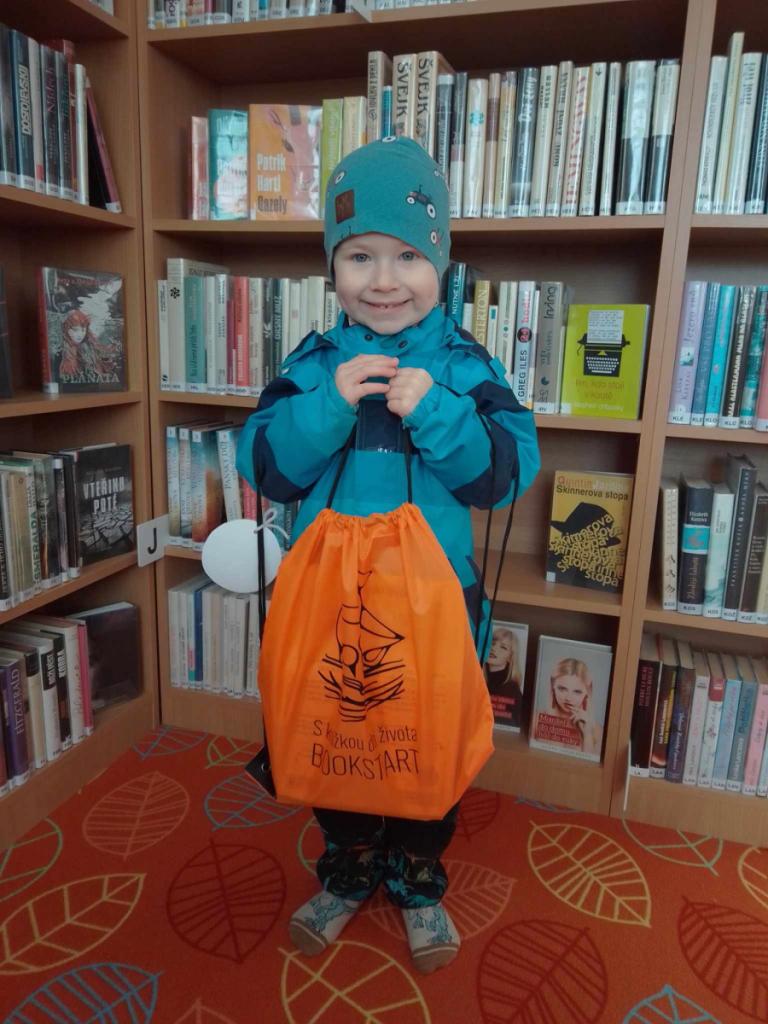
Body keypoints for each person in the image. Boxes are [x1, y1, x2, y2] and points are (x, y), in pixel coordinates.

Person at [235, 136, 540, 974]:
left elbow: (505, 476)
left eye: (408, 256)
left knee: (425, 742)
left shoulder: (467, 366)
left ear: (441, 263)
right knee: (331, 734)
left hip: (437, 605)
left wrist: (439, 411)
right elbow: (265, 467)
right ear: (332, 269)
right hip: (330, 604)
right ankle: (346, 865)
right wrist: (325, 409)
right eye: (359, 255)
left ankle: (416, 876)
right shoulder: (313, 364)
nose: (383, 279)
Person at [532, 657, 603, 756]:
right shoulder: (536, 720)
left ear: (587, 693)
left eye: (577, 692)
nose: (568, 698)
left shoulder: (597, 731)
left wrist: (587, 735)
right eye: (562, 689)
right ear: (553, 688)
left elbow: (588, 764)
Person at [484, 625, 524, 729]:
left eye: (503, 647)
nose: (494, 648)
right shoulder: (477, 679)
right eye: (492, 643)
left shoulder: (512, 690)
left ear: (510, 658)